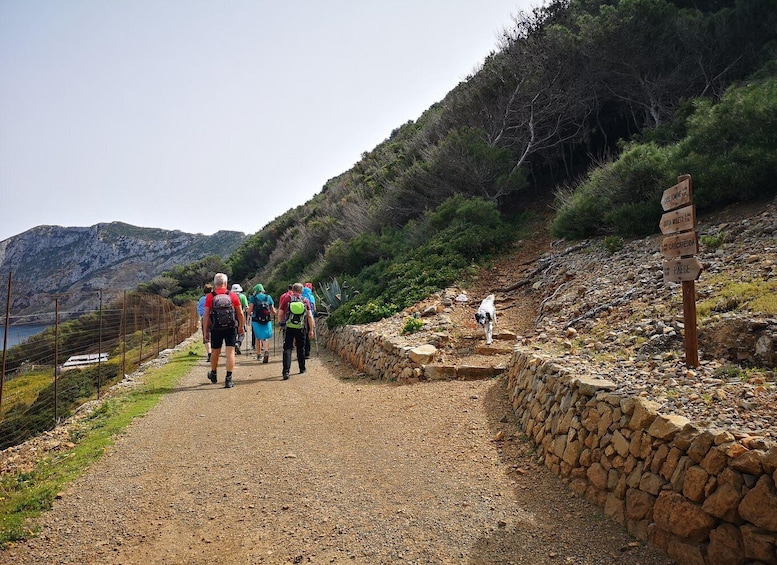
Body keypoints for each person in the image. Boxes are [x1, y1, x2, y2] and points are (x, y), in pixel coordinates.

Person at [203, 273, 245, 388]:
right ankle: (228, 379)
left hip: (216, 328)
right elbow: (240, 313)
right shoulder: (232, 295)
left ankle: (214, 373)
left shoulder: (210, 297)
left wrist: (205, 331)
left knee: (215, 351)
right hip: (231, 327)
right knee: (230, 352)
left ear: (215, 284)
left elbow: (206, 315)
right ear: (226, 283)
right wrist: (241, 326)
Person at [277, 282, 314, 380]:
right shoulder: (305, 300)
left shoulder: (287, 299)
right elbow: (310, 316)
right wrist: (311, 330)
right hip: (301, 327)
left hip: (289, 327)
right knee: (300, 348)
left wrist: (281, 323)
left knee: (287, 348)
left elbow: (280, 313)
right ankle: (302, 368)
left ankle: (286, 372)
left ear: (292, 290)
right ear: (301, 291)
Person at [248, 283, 276, 364]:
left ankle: (259, 354)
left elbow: (250, 311)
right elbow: (273, 310)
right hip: (267, 320)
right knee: (265, 337)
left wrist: (248, 313)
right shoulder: (268, 297)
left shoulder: (253, 298)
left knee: (258, 337)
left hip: (256, 320)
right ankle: (266, 351)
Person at [197, 283, 213, 362]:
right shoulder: (214, 297)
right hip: (214, 318)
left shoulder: (201, 299)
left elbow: (199, 309)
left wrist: (202, 315)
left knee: (206, 335)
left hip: (204, 318)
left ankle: (209, 353)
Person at [231, 283, 249, 355]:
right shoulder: (243, 296)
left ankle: (234, 345)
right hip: (240, 315)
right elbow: (246, 307)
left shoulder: (230, 296)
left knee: (234, 331)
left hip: (232, 316)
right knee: (242, 332)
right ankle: (238, 343)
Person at [301, 282, 317, 358]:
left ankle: (302, 352)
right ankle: (307, 353)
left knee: (301, 335)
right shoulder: (311, 296)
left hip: (301, 318)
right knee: (308, 335)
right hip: (310, 317)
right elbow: (314, 308)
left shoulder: (301, 296)